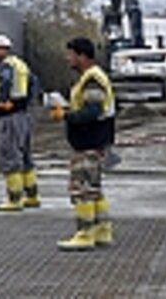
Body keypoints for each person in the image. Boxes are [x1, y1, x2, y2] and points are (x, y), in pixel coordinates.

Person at [51, 36, 116, 251]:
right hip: (96, 140)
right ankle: (102, 230)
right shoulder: (92, 77)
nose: (67, 58)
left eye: (70, 54)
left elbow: (92, 111)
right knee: (94, 188)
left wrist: (66, 115)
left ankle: (85, 233)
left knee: (81, 189)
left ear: (82, 56)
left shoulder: (91, 79)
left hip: (89, 141)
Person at [0, 34, 40, 212]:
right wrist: (27, 102)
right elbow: (34, 82)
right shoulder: (21, 64)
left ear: (3, 49)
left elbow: (5, 83)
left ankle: (14, 198)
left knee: (9, 154)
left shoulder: (6, 66)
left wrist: (2, 102)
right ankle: (31, 195)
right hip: (23, 114)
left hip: (9, 115)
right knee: (25, 155)